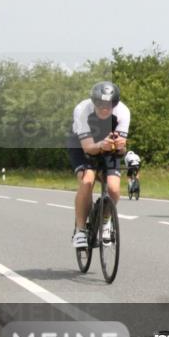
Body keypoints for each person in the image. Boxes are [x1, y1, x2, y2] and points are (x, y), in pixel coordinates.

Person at [68, 81, 130, 249]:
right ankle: (80, 230)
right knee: (87, 181)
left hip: (108, 145)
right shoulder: (82, 110)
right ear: (94, 102)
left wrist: (119, 147)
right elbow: (88, 148)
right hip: (82, 144)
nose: (104, 108)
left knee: (114, 188)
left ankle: (105, 220)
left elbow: (122, 148)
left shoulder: (123, 112)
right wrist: (102, 145)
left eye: (109, 105)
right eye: (100, 104)